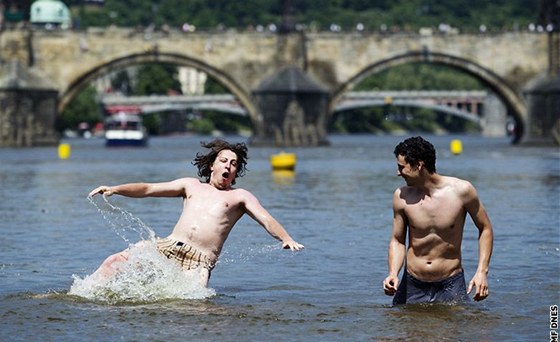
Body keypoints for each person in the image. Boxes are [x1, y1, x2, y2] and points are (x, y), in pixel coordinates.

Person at [88, 139, 304, 287]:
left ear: (236, 172)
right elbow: (148, 188)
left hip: (199, 261)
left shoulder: (240, 197)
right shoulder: (190, 185)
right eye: (224, 161)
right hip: (167, 247)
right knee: (113, 262)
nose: (228, 166)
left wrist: (286, 238)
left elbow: (266, 219)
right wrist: (115, 189)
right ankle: (83, 296)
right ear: (212, 165)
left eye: (234, 164)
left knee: (192, 304)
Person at [382, 136, 493, 305]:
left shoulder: (462, 191)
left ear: (418, 165)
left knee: (455, 330)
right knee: (402, 329)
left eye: (401, 167)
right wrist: (392, 273)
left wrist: (481, 272)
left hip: (450, 283)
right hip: (413, 283)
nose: (398, 173)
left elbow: (485, 228)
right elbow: (397, 240)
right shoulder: (401, 196)